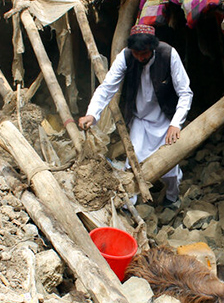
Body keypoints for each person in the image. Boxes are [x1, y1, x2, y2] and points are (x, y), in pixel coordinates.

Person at [79, 24, 193, 206]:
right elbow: (107, 88)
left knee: (170, 168)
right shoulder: (125, 56)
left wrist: (176, 124)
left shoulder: (168, 54)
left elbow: (185, 93)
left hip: (165, 120)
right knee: (132, 164)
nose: (140, 57)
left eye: (145, 53)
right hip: (139, 119)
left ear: (153, 48)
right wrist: (92, 114)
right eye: (136, 53)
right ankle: (128, 206)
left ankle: (171, 199)